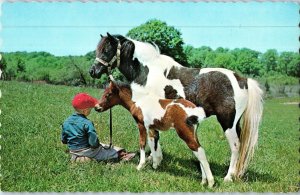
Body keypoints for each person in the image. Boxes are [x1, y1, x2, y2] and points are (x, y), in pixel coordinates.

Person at [61, 93, 135, 163]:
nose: (90, 110)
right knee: (110, 151)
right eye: (90, 109)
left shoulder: (66, 122)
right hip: (87, 150)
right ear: (85, 110)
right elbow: (93, 143)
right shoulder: (87, 123)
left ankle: (77, 156)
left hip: (73, 150)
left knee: (102, 145)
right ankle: (122, 155)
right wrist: (97, 146)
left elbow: (64, 140)